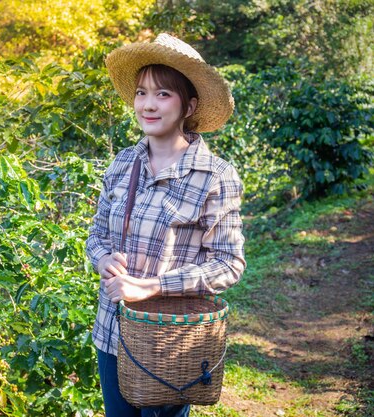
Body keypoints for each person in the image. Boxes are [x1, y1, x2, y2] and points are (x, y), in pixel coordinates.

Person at [86, 33, 246, 417]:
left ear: (189, 104)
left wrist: (153, 286)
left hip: (169, 339)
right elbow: (96, 235)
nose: (148, 105)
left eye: (163, 94)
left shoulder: (214, 176)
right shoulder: (123, 163)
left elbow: (229, 264)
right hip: (113, 330)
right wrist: (102, 259)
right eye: (142, 93)